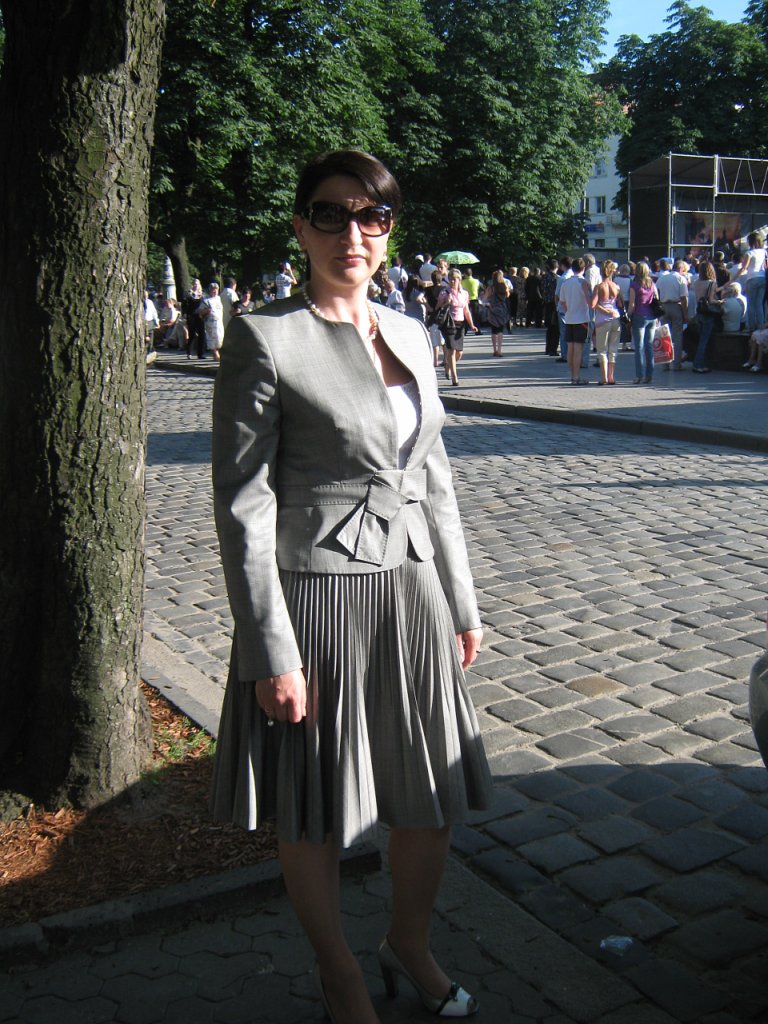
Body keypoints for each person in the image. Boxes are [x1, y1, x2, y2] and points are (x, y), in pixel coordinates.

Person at [209, 149, 491, 1024]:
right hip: (318, 600)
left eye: (372, 216)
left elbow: (433, 476)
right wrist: (271, 650)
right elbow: (243, 503)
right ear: (301, 227)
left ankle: (408, 943)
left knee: (429, 791)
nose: (353, 234)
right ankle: (339, 974)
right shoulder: (266, 337)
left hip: (413, 588)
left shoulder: (409, 331)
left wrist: (461, 598)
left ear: (389, 232)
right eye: (331, 214)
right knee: (317, 802)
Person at [435, 267, 479, 386]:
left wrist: (472, 325)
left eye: (455, 279)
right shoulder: (445, 292)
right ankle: (455, 378)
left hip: (460, 324)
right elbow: (437, 308)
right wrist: (447, 302)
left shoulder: (464, 293)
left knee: (459, 352)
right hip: (449, 323)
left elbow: (466, 310)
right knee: (452, 350)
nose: (452, 281)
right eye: (450, 279)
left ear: (459, 280)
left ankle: (448, 365)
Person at [589, 260, 623, 385]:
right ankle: (611, 377)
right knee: (613, 349)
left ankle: (604, 377)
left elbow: (593, 304)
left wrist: (605, 310)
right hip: (616, 318)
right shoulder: (616, 286)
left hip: (602, 320)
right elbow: (620, 304)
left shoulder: (599, 287)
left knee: (602, 349)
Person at [559, 257, 591, 385]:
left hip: (569, 318)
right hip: (581, 318)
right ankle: (576, 377)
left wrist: (569, 310)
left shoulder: (565, 283)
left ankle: (572, 375)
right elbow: (589, 302)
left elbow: (562, 302)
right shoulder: (583, 282)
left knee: (570, 349)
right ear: (584, 268)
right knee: (578, 349)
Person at [627, 261, 659, 384]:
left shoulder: (634, 285)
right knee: (649, 346)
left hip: (639, 316)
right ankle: (649, 375)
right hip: (651, 316)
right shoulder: (652, 283)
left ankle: (639, 375)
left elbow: (632, 304)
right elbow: (657, 298)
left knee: (639, 347)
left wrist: (628, 316)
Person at [656, 258, 688, 370]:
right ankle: (677, 364)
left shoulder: (662, 278)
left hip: (663, 306)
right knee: (677, 336)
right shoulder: (681, 279)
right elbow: (684, 297)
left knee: (664, 335)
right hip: (676, 306)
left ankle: (665, 363)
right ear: (681, 269)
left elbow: (656, 294)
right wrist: (685, 314)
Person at [737, 231, 766, 331]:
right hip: (763, 278)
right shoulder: (764, 252)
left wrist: (733, 279)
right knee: (759, 303)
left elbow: (744, 268)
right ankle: (761, 325)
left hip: (752, 278)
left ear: (750, 241)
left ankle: (751, 326)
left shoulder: (749, 253)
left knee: (751, 303)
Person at [483, 269, 510, 356]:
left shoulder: (491, 288)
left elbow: (484, 299)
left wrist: (487, 302)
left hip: (492, 309)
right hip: (502, 309)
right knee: (500, 330)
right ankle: (499, 350)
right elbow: (507, 296)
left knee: (494, 330)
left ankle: (494, 350)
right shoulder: (504, 286)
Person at [200, 281, 224, 361]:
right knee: (213, 338)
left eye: (216, 290)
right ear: (210, 290)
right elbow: (200, 311)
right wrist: (206, 311)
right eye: (213, 290)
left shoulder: (219, 298)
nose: (215, 291)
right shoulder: (206, 300)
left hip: (219, 322)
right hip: (211, 322)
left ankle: (217, 353)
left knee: (219, 338)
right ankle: (215, 354)